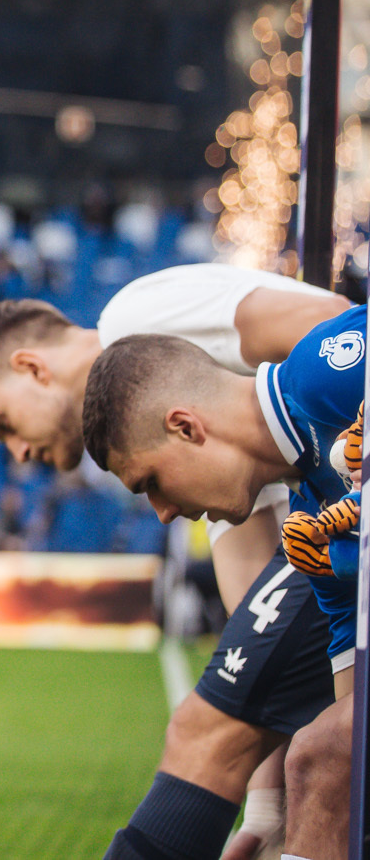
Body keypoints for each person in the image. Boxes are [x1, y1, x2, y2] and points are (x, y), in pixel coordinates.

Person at [0, 265, 348, 860]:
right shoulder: (192, 447)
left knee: (212, 732)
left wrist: (350, 468)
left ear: (31, 368)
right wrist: (267, 804)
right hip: (330, 522)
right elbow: (254, 632)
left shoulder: (134, 323)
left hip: (341, 487)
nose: (18, 452)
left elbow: (337, 326)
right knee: (268, 739)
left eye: (4, 425)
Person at [81, 312, 364, 860]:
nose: (163, 515)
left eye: (152, 484)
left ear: (188, 427)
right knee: (322, 755)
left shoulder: (329, 367)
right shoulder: (310, 529)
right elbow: (353, 725)